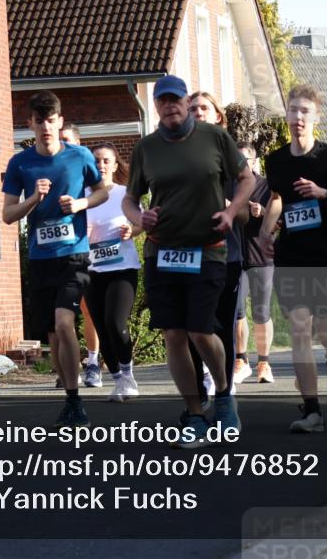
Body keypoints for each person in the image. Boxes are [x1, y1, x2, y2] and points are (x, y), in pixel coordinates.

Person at [123, 75, 254, 448]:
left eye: (175, 100)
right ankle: (195, 413)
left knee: (200, 329)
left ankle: (225, 398)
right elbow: (130, 199)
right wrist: (138, 218)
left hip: (208, 249)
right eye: (162, 101)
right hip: (162, 251)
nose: (170, 106)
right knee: (174, 335)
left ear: (185, 100)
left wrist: (231, 211)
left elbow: (246, 178)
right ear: (157, 106)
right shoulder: (146, 148)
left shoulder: (214, 137)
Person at [258, 84, 327, 434]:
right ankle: (314, 412)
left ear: (316, 117)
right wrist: (266, 231)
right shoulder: (276, 161)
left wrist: (323, 193)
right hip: (292, 256)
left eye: (305, 111)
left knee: (326, 330)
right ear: (286, 115)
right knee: (300, 328)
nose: (298, 117)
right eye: (293, 110)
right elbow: (276, 198)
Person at [2, 91, 107, 427]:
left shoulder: (79, 156)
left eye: (51, 120)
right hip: (40, 257)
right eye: (39, 120)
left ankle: (76, 401)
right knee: (52, 335)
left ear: (60, 122)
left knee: (65, 323)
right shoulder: (20, 164)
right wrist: (34, 198)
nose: (45, 126)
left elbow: (102, 190)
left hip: (73, 254)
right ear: (30, 124)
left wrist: (80, 205)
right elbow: (7, 214)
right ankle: (68, 391)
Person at [186, 91, 248, 398]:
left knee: (222, 324)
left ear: (217, 116)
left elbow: (248, 214)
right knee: (192, 326)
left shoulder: (231, 158)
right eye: (192, 108)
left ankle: (225, 387)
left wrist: (228, 205)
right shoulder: (175, 156)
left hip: (226, 254)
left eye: (204, 107)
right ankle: (198, 391)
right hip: (186, 254)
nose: (197, 112)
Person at [84, 143, 141, 401]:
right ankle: (117, 380)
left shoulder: (125, 193)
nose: (101, 165)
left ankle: (128, 375)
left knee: (115, 323)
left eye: (106, 160)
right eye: (96, 160)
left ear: (115, 165)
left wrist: (132, 229)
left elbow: (142, 223)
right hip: (93, 269)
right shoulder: (83, 196)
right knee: (101, 326)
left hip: (122, 267)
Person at [235, 142, 276, 384]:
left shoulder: (267, 186)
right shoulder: (229, 186)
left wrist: (263, 211)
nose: (240, 165)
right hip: (235, 256)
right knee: (237, 310)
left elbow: (280, 220)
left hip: (262, 256)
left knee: (261, 312)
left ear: (253, 162)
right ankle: (241, 360)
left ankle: (264, 363)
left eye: (244, 160)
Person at [56, 124, 92, 388]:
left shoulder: (88, 176)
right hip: (55, 254)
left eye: (67, 140)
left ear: (78, 143)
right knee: (58, 319)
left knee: (89, 313)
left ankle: (94, 362)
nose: (62, 145)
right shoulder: (55, 174)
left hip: (86, 255)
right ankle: (66, 372)